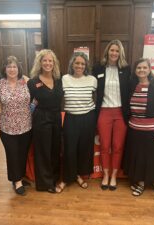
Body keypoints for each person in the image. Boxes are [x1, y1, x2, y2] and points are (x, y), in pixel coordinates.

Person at [92, 39, 131, 191]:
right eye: (112, 50)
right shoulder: (98, 68)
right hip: (104, 112)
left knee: (117, 146)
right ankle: (106, 175)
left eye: (117, 51)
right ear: (107, 51)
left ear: (120, 53)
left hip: (121, 112)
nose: (114, 53)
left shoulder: (126, 69)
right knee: (105, 146)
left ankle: (114, 176)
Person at [123, 58, 154, 196]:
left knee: (146, 158)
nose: (141, 70)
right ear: (135, 71)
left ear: (149, 69)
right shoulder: (132, 85)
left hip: (150, 130)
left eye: (144, 68)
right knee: (136, 156)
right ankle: (136, 179)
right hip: (134, 128)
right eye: (139, 68)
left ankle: (142, 183)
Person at [59, 52, 97, 190]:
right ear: (72, 64)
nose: (79, 66)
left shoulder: (92, 79)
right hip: (71, 118)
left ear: (85, 65)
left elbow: (96, 98)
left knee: (84, 149)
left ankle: (79, 176)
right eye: (77, 63)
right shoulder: (64, 78)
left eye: (82, 63)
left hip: (88, 118)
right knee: (69, 149)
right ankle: (66, 178)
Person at [27, 49, 63, 193]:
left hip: (56, 117)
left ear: (54, 63)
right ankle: (45, 184)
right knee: (43, 152)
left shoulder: (59, 80)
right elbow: (28, 103)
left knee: (55, 150)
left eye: (50, 61)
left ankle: (54, 179)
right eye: (45, 61)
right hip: (41, 118)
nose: (48, 63)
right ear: (40, 63)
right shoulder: (33, 82)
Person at [0, 56, 32, 196]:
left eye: (14, 66)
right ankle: (16, 181)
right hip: (7, 127)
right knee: (12, 154)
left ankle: (20, 177)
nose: (12, 69)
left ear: (19, 69)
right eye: (9, 66)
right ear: (4, 69)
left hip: (26, 125)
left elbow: (36, 95)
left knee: (22, 154)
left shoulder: (26, 81)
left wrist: (33, 107)